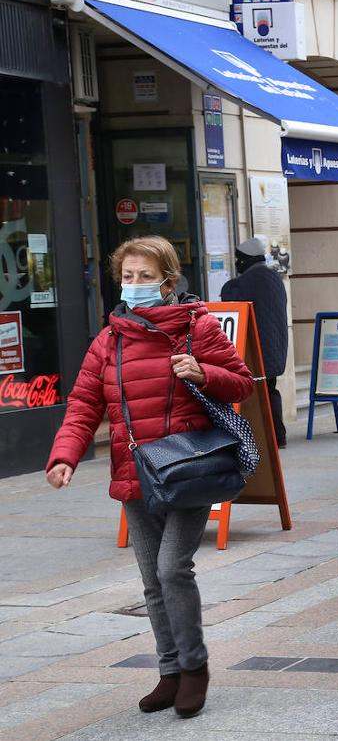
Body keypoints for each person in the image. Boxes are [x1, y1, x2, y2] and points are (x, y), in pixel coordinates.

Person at [46, 236, 254, 719]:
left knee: (171, 569)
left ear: (168, 280)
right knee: (150, 580)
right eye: (128, 276)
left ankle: (195, 667)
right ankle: (170, 671)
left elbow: (242, 380)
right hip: (135, 471)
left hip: (187, 469)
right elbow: (82, 405)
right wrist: (65, 457)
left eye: (145, 276)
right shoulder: (109, 340)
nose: (135, 285)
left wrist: (203, 372)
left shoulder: (195, 329)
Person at [220, 235, 288, 447]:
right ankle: (277, 435)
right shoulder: (273, 277)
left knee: (259, 394)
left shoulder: (250, 280)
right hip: (275, 348)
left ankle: (268, 435)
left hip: (258, 349)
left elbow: (229, 297)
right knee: (270, 391)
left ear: (245, 259)